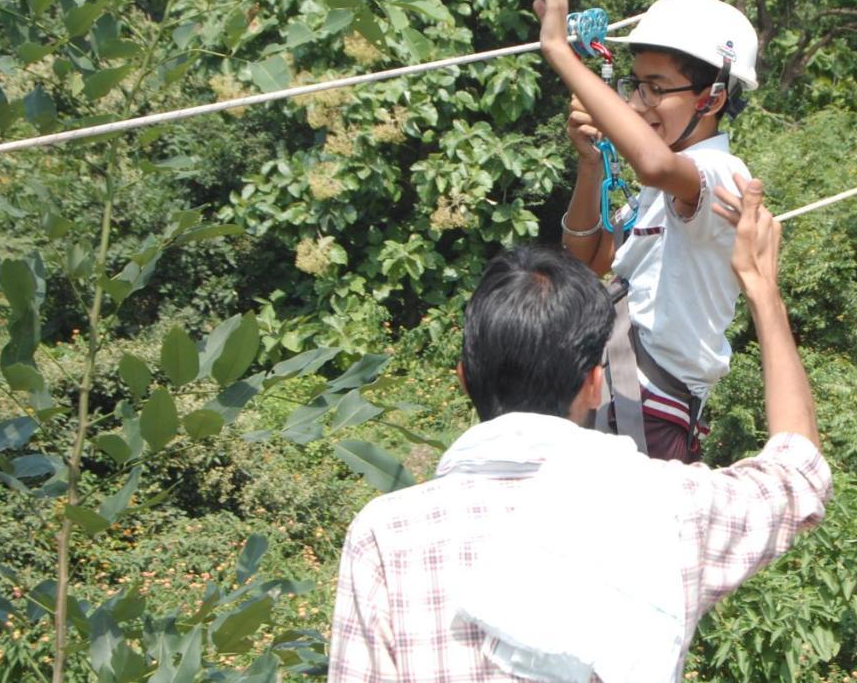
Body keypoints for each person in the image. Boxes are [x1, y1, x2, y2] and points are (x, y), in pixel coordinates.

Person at [328, 177, 830, 683]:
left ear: (463, 378)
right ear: (596, 384)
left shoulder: (385, 534)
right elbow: (800, 471)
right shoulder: (667, 506)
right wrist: (764, 291)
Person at [528, 0, 759, 462]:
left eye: (657, 88)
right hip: (616, 398)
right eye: (636, 85)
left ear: (713, 97)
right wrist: (590, 166)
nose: (637, 103)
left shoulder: (719, 174)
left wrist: (561, 55)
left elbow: (653, 163)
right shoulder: (660, 192)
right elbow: (585, 261)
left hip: (650, 414)